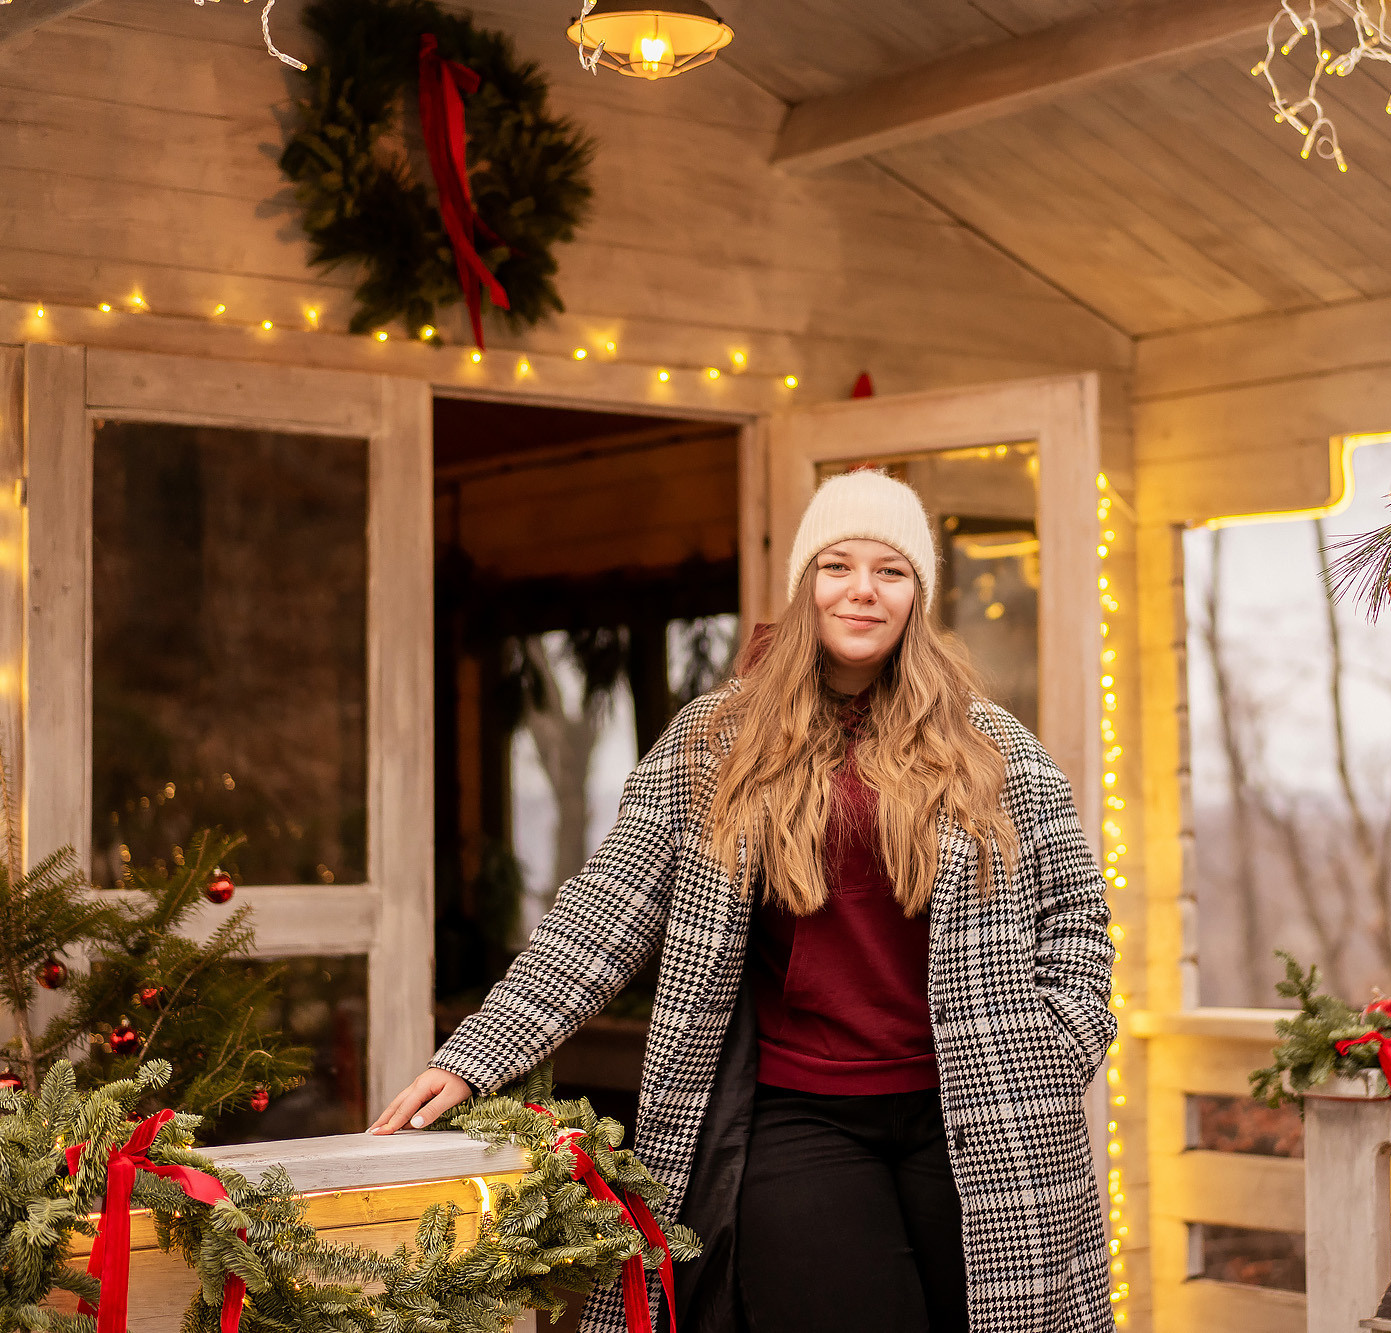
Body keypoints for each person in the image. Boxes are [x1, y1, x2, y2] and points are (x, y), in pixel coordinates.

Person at [371, 469, 1116, 1333]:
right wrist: (473, 1055)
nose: (863, 590)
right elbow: (606, 907)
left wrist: (1056, 1051)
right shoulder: (715, 739)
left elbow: (1076, 916)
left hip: (984, 1114)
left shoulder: (992, 746)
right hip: (800, 1113)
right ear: (806, 583)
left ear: (919, 595)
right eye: (839, 565)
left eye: (892, 570)